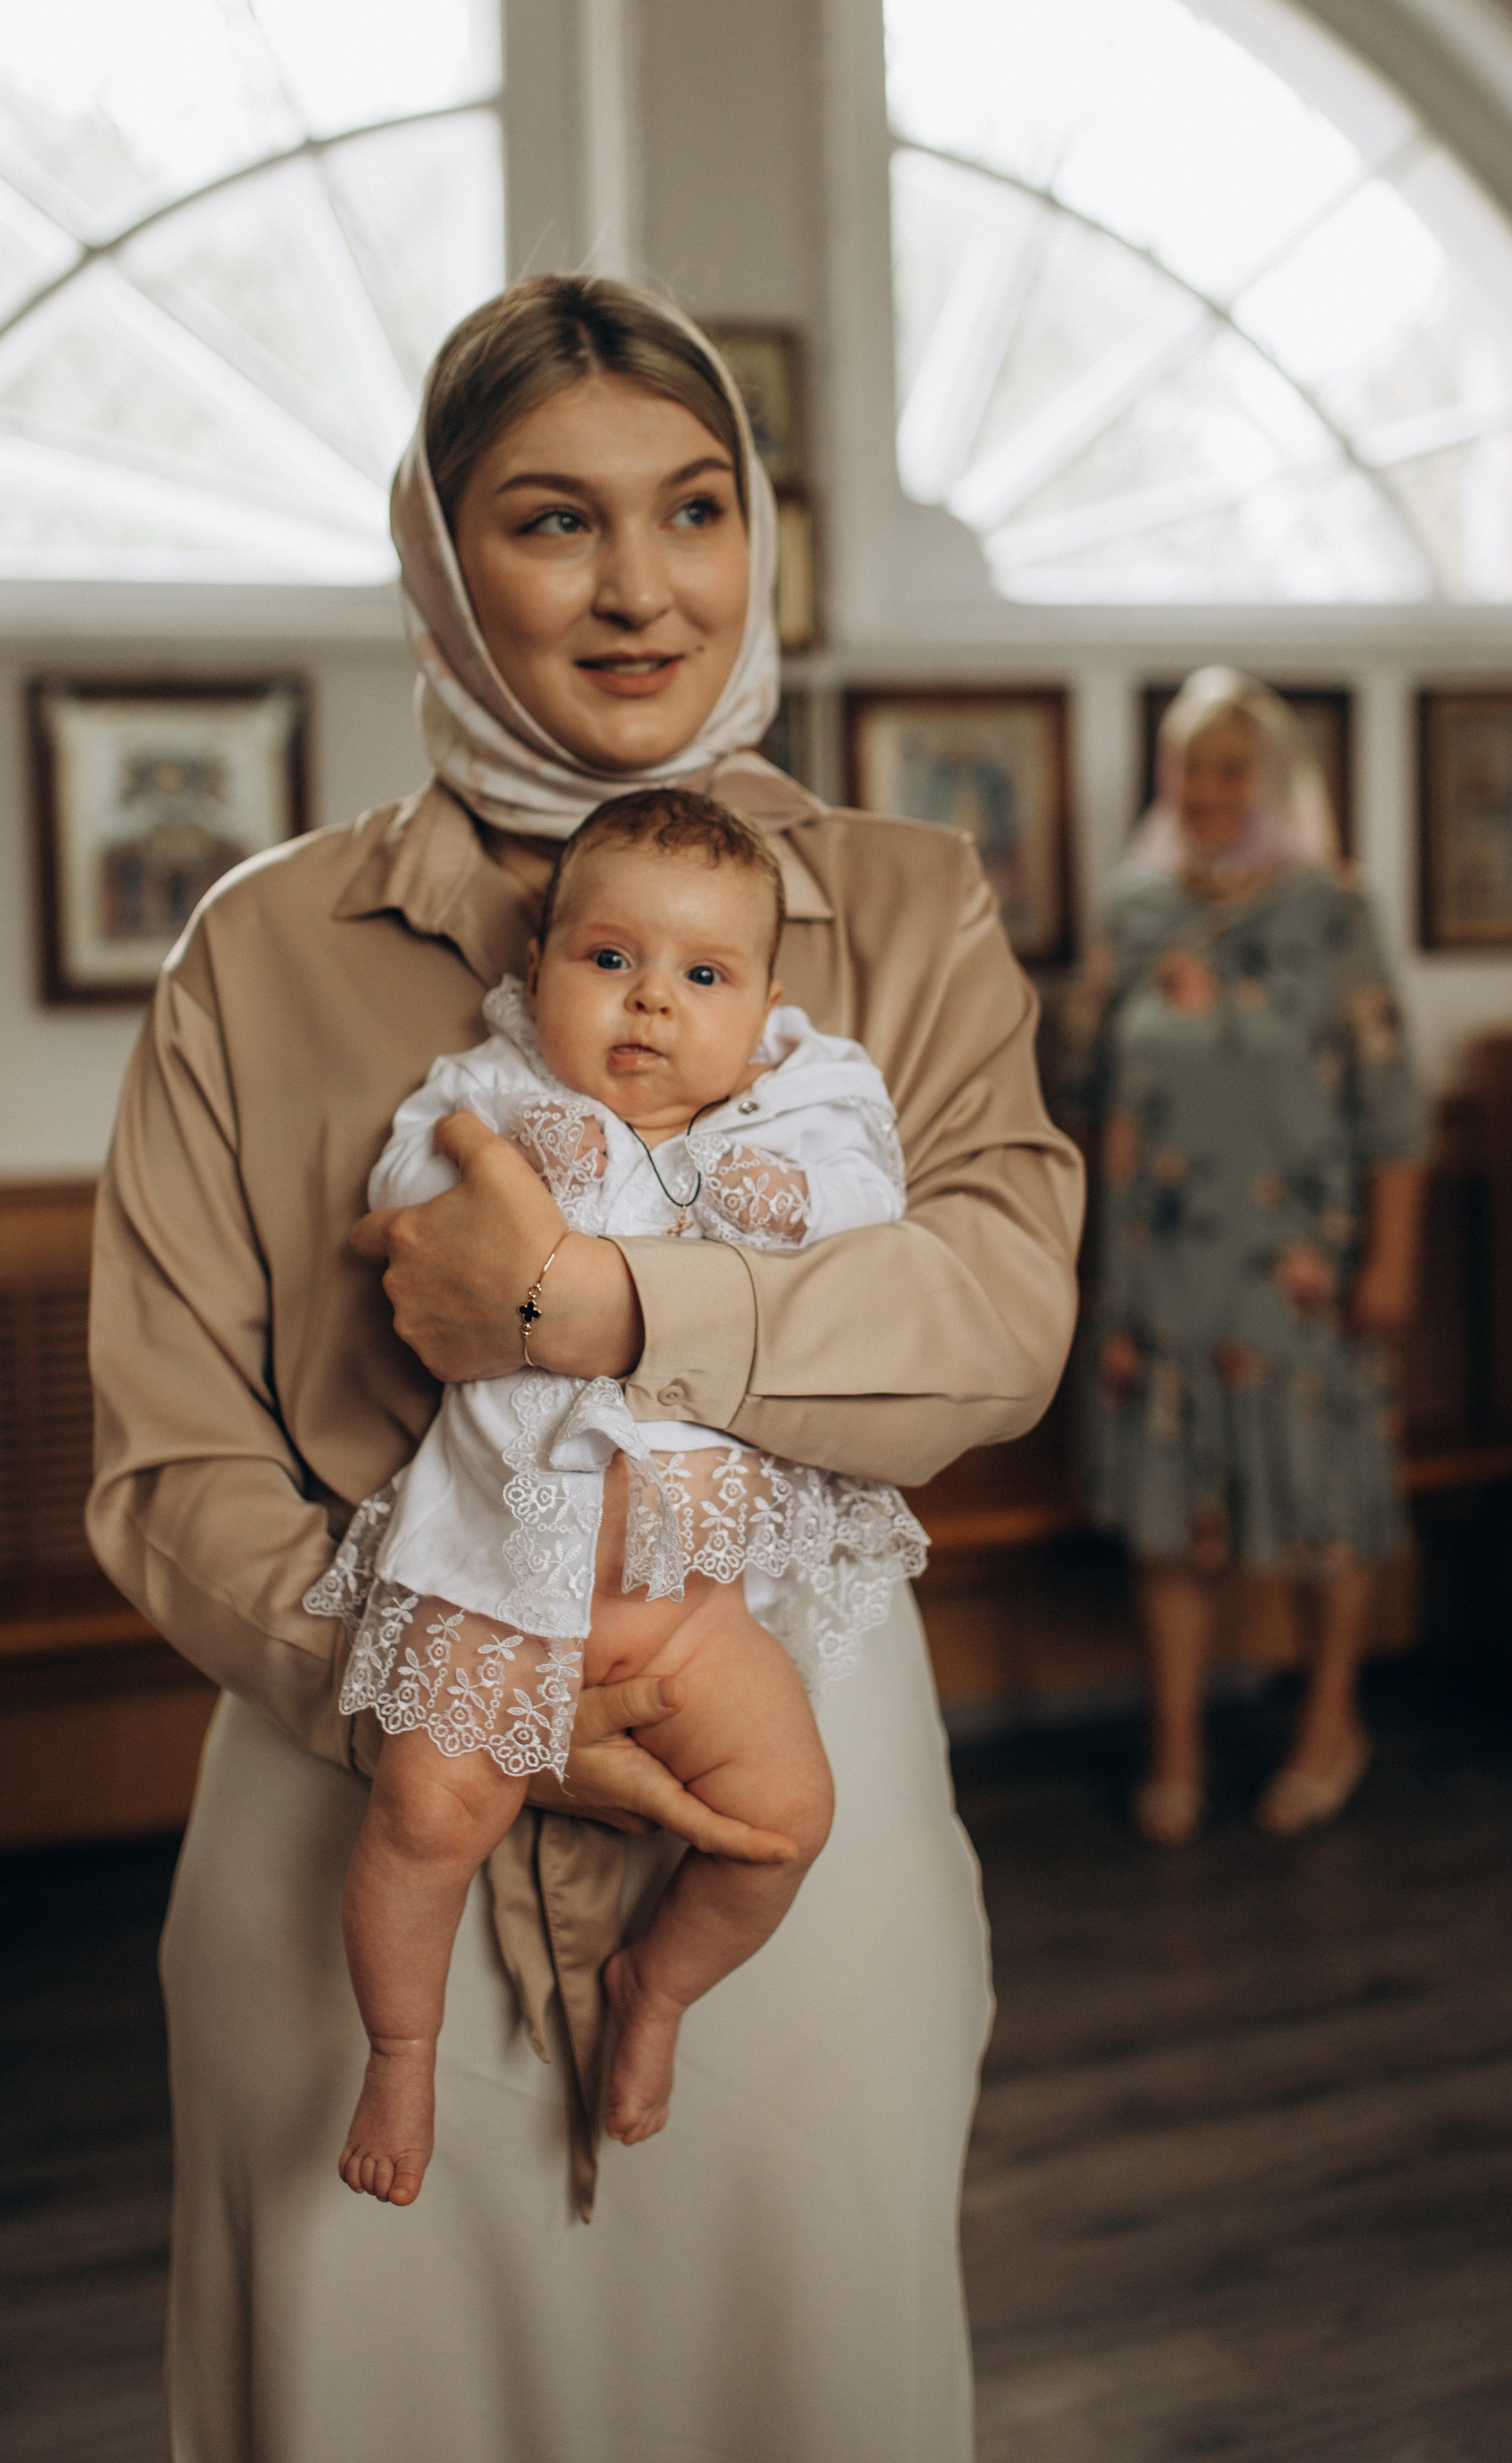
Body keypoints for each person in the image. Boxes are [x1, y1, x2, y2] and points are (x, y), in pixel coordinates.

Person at [87, 273, 1082, 2462]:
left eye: (697, 508)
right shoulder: (258, 950)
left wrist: (601, 1312)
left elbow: (997, 1325)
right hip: (363, 1824)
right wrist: (451, 1697)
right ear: (443, 561)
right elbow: (167, 1465)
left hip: (782, 1828)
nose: (644, 588)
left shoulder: (910, 908)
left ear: (760, 537)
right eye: (554, 521)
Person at [311, 786, 925, 2194]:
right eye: (609, 960)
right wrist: (513, 1165)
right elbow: (399, 1191)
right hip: (496, 1586)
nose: (651, 1002)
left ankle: (660, 1986)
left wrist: (790, 1199)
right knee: (421, 1820)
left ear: (764, 1009)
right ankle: (400, 2054)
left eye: (703, 977)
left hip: (690, 1612)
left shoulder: (798, 1099)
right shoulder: (496, 1089)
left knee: (782, 1822)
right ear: (537, 971)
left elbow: (871, 1196)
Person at [1065, 668, 1425, 1846]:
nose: (1208, 790)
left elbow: (1392, 1100)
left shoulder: (1333, 908)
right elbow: (1088, 1090)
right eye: (1190, 767)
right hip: (1157, 1267)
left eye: (1232, 770)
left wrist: (1393, 1260)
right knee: (1169, 1516)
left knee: (1327, 1501)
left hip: (1300, 1264)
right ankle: (1175, 1742)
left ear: (1273, 781)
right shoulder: (1131, 908)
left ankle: (1330, 1722)